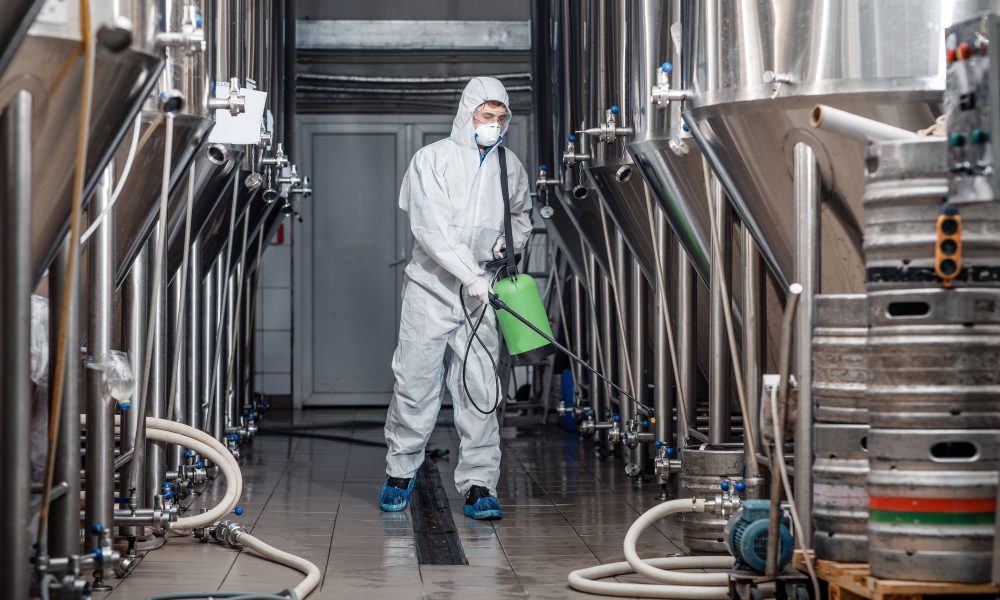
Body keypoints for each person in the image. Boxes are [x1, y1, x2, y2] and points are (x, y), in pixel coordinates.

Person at [379, 77, 532, 520]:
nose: (495, 125)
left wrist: (508, 246)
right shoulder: (433, 160)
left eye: (501, 118)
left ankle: (480, 484)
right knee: (415, 384)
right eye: (487, 117)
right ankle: (400, 473)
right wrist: (468, 274)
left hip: (482, 295)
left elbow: (520, 214)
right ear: (467, 114)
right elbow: (431, 230)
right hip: (431, 290)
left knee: (481, 390)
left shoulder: (511, 165)